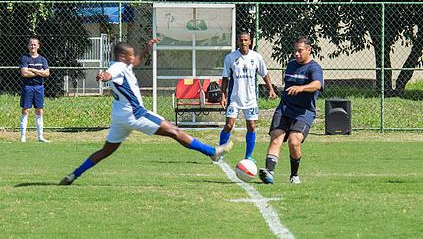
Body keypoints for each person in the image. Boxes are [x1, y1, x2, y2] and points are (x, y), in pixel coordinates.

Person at [59, 39, 233, 185]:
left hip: (119, 116)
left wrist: (146, 50)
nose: (133, 58)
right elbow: (109, 74)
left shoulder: (124, 64)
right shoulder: (118, 66)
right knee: (175, 131)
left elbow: (135, 62)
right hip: (135, 113)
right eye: (130, 55)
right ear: (122, 57)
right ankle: (212, 152)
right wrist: (102, 76)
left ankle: (74, 174)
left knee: (105, 151)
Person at [259, 36, 324, 184]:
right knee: (276, 136)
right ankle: (269, 172)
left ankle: (294, 175)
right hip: (285, 108)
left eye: (300, 51)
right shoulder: (291, 65)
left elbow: (317, 85)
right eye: (295, 50)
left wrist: (301, 88)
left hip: (304, 112)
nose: (296, 54)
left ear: (309, 50)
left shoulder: (314, 68)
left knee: (294, 141)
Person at [218, 32, 277, 162]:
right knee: (229, 125)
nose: (243, 42)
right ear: (238, 42)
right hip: (234, 98)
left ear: (250, 42)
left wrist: (271, 89)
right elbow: (225, 78)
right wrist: (223, 95)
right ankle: (219, 152)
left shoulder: (256, 57)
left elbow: (264, 74)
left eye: (246, 40)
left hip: (251, 99)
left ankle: (248, 156)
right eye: (241, 40)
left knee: (251, 126)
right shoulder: (230, 57)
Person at [19, 37, 50, 143]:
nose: (33, 46)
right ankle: (23, 136)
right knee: (25, 110)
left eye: (35, 44)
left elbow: (47, 73)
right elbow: (24, 73)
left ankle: (40, 136)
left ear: (38, 46)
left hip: (39, 88)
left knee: (39, 111)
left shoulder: (43, 59)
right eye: (31, 44)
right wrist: (38, 71)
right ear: (28, 46)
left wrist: (31, 69)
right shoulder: (24, 58)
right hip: (27, 88)